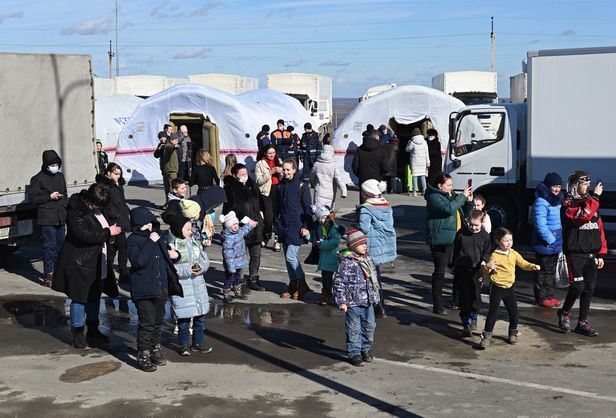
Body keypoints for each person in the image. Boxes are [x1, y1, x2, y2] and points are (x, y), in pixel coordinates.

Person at [52, 183, 122, 349]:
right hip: (81, 262)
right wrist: (108, 233)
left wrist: (111, 235)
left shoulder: (97, 209)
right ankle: (77, 334)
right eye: (98, 204)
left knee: (94, 296)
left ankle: (93, 330)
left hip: (98, 261)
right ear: (91, 200)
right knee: (80, 298)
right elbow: (83, 234)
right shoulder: (76, 210)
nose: (100, 208)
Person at [126, 207, 183, 372]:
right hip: (143, 289)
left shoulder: (158, 237)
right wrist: (150, 242)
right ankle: (143, 354)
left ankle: (154, 348)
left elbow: (165, 258)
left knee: (158, 321)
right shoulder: (133, 240)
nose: (150, 226)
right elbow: (139, 261)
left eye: (151, 223)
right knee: (147, 323)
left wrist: (176, 255)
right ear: (139, 225)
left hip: (160, 286)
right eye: (146, 224)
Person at [557, 171, 607, 336]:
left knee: (589, 289)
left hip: (591, 254)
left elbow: (599, 229)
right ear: (575, 185)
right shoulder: (568, 203)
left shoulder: (591, 202)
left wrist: (601, 253)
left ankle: (582, 322)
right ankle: (564, 312)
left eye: (588, 184)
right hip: (575, 253)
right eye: (584, 183)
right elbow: (583, 216)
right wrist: (596, 197)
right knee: (577, 287)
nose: (588, 186)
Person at [479, 228, 540, 349]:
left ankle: (513, 333)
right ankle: (487, 336)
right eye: (505, 240)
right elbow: (486, 272)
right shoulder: (495, 255)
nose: (509, 243)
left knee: (514, 313)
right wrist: (487, 266)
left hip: (509, 288)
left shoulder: (514, 253)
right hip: (496, 288)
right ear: (497, 241)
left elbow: (523, 264)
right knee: (493, 313)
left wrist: (532, 266)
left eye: (510, 240)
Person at [425, 172, 473, 315]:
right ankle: (437, 305)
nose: (451, 187)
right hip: (440, 239)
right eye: (449, 185)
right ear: (440, 186)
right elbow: (448, 209)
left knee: (459, 270)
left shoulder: (452, 195)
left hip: (456, 237)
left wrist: (468, 201)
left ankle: (456, 301)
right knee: (440, 271)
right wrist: (462, 196)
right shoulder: (433, 197)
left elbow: (464, 212)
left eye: (452, 185)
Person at [165, 213, 212, 356]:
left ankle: (198, 343)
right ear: (178, 229)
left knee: (200, 317)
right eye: (187, 229)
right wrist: (188, 270)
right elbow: (170, 269)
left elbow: (205, 260)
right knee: (183, 319)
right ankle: (184, 345)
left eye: (191, 229)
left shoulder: (194, 243)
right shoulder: (171, 246)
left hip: (198, 286)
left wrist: (201, 268)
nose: (191, 232)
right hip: (182, 288)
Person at [334, 229, 380, 367]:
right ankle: (354, 353)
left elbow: (373, 280)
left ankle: (365, 349)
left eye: (365, 243)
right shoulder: (347, 263)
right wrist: (342, 301)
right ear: (353, 246)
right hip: (353, 302)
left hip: (368, 301)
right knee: (354, 329)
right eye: (361, 244)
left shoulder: (368, 259)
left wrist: (376, 298)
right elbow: (339, 282)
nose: (365, 246)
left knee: (369, 327)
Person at [223, 163, 266, 291]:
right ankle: (238, 281)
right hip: (240, 226)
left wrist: (261, 217)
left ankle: (253, 279)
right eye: (242, 174)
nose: (245, 176)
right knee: (239, 255)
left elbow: (259, 203)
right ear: (235, 175)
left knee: (256, 254)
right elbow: (231, 208)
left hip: (256, 225)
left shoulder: (252, 185)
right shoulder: (230, 188)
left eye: (246, 173)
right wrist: (245, 220)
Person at [357, 179, 396, 318]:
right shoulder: (387, 205)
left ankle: (377, 305)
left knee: (370, 275)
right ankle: (380, 304)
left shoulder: (366, 209)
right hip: (383, 243)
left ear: (366, 193)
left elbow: (364, 228)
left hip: (371, 245)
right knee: (376, 274)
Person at [29, 150, 68, 288]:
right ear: (46, 165)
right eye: (52, 165)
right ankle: (48, 274)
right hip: (47, 218)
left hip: (60, 217)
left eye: (56, 164)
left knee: (61, 247)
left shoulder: (60, 176)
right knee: (49, 247)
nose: (54, 167)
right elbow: (33, 199)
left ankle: (59, 273)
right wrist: (49, 197)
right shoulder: (37, 179)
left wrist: (64, 204)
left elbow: (65, 194)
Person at [276, 159, 312, 299]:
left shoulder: (302, 186)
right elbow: (278, 207)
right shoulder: (280, 185)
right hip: (283, 226)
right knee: (287, 258)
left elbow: (308, 209)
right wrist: (276, 223)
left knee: (291, 256)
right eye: (284, 169)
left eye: (288, 170)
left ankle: (302, 284)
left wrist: (306, 226)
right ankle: (293, 285)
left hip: (297, 226)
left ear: (294, 170)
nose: (285, 172)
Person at [452, 210, 491, 337]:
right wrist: (451, 264)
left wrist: (484, 261)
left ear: (482, 222)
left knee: (475, 296)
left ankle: (473, 316)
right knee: (464, 296)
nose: (473, 227)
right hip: (462, 269)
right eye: (471, 224)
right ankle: (466, 323)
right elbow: (455, 249)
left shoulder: (485, 236)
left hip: (476, 271)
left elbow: (487, 251)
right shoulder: (461, 233)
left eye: (476, 225)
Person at [531, 172, 564, 307]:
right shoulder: (541, 201)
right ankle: (541, 297)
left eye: (559, 186)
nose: (557, 189)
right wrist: (551, 240)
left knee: (551, 271)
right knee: (542, 271)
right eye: (554, 186)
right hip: (545, 242)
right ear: (548, 186)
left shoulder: (557, 200)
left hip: (555, 241)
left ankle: (549, 295)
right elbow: (540, 225)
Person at [96, 163, 131, 283]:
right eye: (115, 174)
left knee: (122, 247)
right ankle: (109, 271)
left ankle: (122, 270)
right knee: (112, 248)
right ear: (108, 173)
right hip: (113, 221)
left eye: (119, 174)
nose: (118, 176)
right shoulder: (106, 186)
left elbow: (121, 201)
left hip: (121, 219)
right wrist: (114, 214)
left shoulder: (118, 184)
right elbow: (105, 205)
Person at [220, 211, 258, 302]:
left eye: (236, 224)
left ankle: (237, 292)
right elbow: (228, 254)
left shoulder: (238, 232)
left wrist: (251, 225)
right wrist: (230, 266)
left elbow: (244, 230)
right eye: (233, 224)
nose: (235, 226)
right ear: (228, 226)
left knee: (237, 277)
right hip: (231, 263)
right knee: (229, 279)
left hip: (238, 261)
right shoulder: (228, 238)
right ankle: (226, 294)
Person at [310, 205, 344, 306]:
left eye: (326, 217)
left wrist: (322, 244)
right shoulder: (319, 227)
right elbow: (314, 237)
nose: (325, 220)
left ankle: (328, 296)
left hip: (331, 257)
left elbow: (335, 242)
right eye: (322, 218)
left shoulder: (334, 228)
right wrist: (308, 236)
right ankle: (325, 294)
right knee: (324, 277)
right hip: (324, 257)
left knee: (328, 278)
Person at [255, 144, 283, 252]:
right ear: (265, 153)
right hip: (266, 192)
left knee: (278, 216)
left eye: (273, 153)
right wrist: (269, 173)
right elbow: (258, 181)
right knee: (268, 217)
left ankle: (277, 240)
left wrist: (281, 172)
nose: (272, 155)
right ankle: (267, 235)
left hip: (278, 190)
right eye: (270, 153)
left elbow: (285, 176)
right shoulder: (260, 164)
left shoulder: (278, 161)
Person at [352, 130, 387, 203]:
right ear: (376, 137)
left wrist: (361, 175)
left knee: (364, 202)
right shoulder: (382, 150)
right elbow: (386, 167)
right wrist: (380, 175)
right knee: (376, 201)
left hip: (363, 179)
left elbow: (355, 167)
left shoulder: (359, 149)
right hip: (377, 180)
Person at [310, 144, 347, 210]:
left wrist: (314, 184)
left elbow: (312, 177)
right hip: (330, 192)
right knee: (328, 211)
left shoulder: (316, 164)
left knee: (318, 211)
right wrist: (344, 191)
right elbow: (339, 179)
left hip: (319, 191)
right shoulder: (334, 165)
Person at [405, 129, 430, 196]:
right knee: (422, 176)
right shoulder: (424, 142)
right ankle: (424, 191)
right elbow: (427, 152)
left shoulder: (412, 142)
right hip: (423, 162)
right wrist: (428, 162)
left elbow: (407, 150)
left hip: (415, 162)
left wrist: (408, 142)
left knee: (414, 176)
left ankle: (415, 191)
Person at [153, 131, 169, 206]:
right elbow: (156, 155)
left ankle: (171, 203)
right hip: (163, 168)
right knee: (166, 187)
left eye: (163, 137)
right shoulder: (160, 145)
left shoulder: (169, 144)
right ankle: (167, 202)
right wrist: (159, 148)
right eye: (160, 138)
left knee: (171, 187)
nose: (162, 139)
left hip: (170, 168)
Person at [163, 134, 180, 203]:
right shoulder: (169, 145)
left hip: (171, 170)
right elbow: (168, 147)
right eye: (175, 140)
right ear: (171, 140)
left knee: (169, 188)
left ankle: (168, 203)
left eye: (177, 140)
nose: (177, 142)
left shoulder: (173, 148)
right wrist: (174, 146)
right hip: (171, 170)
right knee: (172, 188)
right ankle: (171, 203)